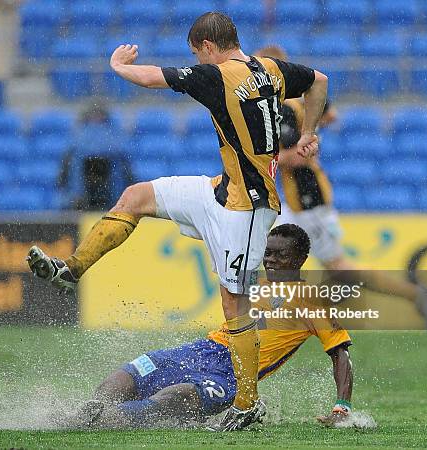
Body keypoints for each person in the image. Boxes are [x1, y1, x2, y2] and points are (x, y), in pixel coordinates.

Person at [27, 12, 328, 430]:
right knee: (136, 197)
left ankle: (246, 402)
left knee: (233, 302)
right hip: (220, 190)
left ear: (206, 46)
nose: (196, 59)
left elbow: (152, 78)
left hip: (248, 208)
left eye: (195, 53)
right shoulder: (271, 69)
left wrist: (118, 66)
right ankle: (71, 269)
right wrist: (310, 132)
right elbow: (320, 81)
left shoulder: (217, 75)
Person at [61, 224, 353, 430]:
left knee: (180, 396)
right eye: (268, 252)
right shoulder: (251, 281)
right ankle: (88, 411)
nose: (270, 260)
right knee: (136, 369)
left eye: (280, 255)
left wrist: (342, 407)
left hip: (235, 372)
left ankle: (107, 421)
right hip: (204, 349)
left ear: (300, 260)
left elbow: (341, 355)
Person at [255, 45, 427, 331]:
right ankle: (271, 315)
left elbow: (296, 157)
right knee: (263, 248)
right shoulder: (295, 102)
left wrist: (271, 153)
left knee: (339, 269)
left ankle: (415, 295)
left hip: (309, 200)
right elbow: (331, 115)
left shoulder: (286, 109)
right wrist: (313, 128)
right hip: (298, 201)